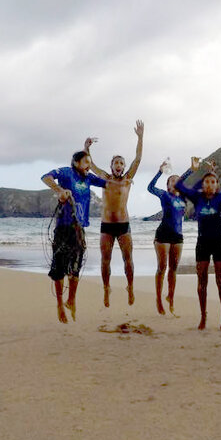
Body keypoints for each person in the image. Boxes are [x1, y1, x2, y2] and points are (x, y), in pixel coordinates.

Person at [41, 146, 106, 323]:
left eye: (90, 164)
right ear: (76, 162)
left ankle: (72, 300)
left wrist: (125, 178)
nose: (88, 166)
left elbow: (107, 182)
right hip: (63, 227)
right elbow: (45, 177)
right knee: (59, 269)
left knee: (75, 268)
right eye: (86, 162)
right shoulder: (66, 172)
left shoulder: (89, 178)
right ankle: (60, 305)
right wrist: (59, 190)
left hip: (79, 230)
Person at [176, 158, 221, 331]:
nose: (210, 184)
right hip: (202, 242)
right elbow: (179, 185)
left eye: (213, 182)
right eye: (206, 182)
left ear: (217, 185)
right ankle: (203, 316)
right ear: (203, 185)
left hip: (219, 242)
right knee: (201, 281)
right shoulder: (197, 197)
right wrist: (192, 169)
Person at [85, 120, 144, 307]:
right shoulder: (105, 178)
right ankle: (106, 288)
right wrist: (86, 148)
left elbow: (138, 158)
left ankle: (131, 287)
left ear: (124, 166)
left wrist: (141, 137)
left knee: (128, 260)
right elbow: (90, 165)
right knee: (105, 260)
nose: (119, 165)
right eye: (116, 163)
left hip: (124, 225)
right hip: (106, 225)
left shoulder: (127, 179)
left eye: (121, 163)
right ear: (111, 166)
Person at [147, 159, 187, 315]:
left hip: (178, 236)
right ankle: (158, 299)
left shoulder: (182, 198)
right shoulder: (164, 195)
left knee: (174, 269)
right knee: (162, 268)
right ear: (168, 185)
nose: (175, 182)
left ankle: (170, 297)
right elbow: (150, 188)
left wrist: (192, 168)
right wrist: (159, 172)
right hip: (163, 235)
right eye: (172, 180)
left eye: (177, 181)